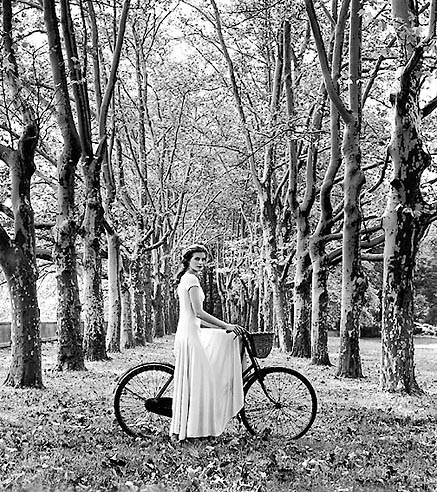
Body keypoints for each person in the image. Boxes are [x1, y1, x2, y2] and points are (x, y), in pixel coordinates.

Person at [170, 243, 246, 441]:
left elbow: (198, 318)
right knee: (202, 382)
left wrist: (222, 329)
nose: (201, 262)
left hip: (188, 332)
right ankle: (196, 430)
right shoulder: (192, 280)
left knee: (197, 382)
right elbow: (198, 313)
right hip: (190, 335)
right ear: (188, 260)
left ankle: (191, 428)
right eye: (197, 258)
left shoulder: (186, 278)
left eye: (204, 259)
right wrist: (226, 325)